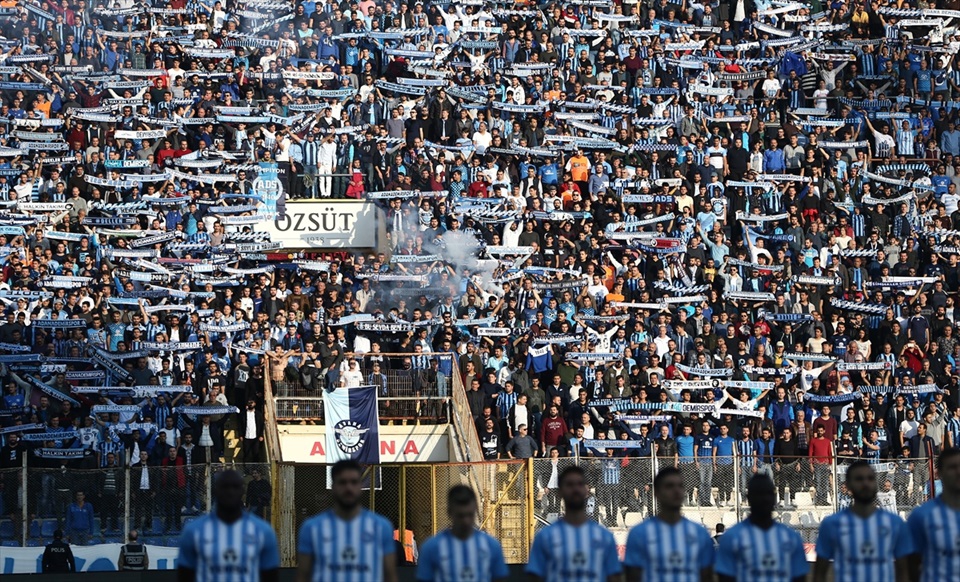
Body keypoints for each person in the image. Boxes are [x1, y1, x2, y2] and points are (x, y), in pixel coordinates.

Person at [296, 459, 398, 582]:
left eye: (354, 482)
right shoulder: (311, 528)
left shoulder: (381, 527)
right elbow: (303, 576)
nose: (348, 488)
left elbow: (390, 576)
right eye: (342, 482)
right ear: (333, 487)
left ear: (361, 486)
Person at [814, 460, 912, 582]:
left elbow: (904, 571)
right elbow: (819, 574)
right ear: (849, 485)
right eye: (859, 479)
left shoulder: (895, 523)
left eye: (870, 478)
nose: (865, 483)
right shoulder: (832, 524)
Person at [177, 470, 280, 582]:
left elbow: (270, 576)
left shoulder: (264, 532)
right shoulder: (193, 531)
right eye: (225, 487)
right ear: (216, 491)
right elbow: (185, 575)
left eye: (235, 487)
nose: (230, 492)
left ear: (242, 491)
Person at [526, 465, 621, 582]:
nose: (575, 489)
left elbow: (614, 577)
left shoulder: (604, 537)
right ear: (559, 491)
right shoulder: (545, 537)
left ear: (586, 490)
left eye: (580, 484)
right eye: (569, 485)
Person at [624, 467, 715, 582]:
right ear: (656, 492)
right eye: (670, 486)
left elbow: (706, 575)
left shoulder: (699, 533)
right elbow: (633, 576)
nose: (676, 491)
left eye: (680, 486)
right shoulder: (639, 534)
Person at [716, 474, 809, 582]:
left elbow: (799, 577)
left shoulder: (791, 538)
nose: (764, 499)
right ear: (749, 498)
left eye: (768, 494)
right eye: (758, 494)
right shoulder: (732, 538)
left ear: (774, 498)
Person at [416, 485, 509, 582]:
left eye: (470, 515)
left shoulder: (491, 546)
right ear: (449, 513)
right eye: (460, 516)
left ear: (475, 511)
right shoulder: (431, 547)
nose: (466, 521)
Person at [907, 448, 960, 582]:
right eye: (952, 467)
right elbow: (910, 565)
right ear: (940, 473)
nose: (958, 472)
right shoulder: (921, 516)